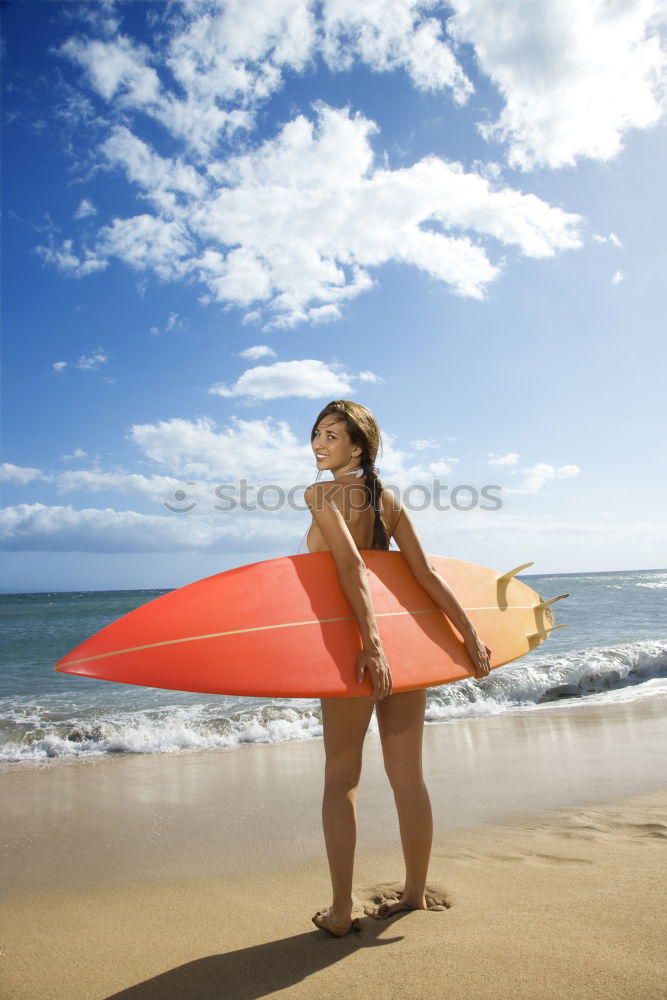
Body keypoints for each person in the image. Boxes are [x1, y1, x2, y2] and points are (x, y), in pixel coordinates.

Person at [303, 400, 492, 938]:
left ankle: (340, 914)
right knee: (408, 778)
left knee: (341, 781)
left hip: (352, 651)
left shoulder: (319, 494)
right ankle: (414, 893)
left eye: (332, 436)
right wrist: (469, 636)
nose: (319, 444)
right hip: (404, 652)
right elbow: (427, 575)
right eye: (316, 434)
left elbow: (350, 566)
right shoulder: (387, 501)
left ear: (357, 447)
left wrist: (372, 646)